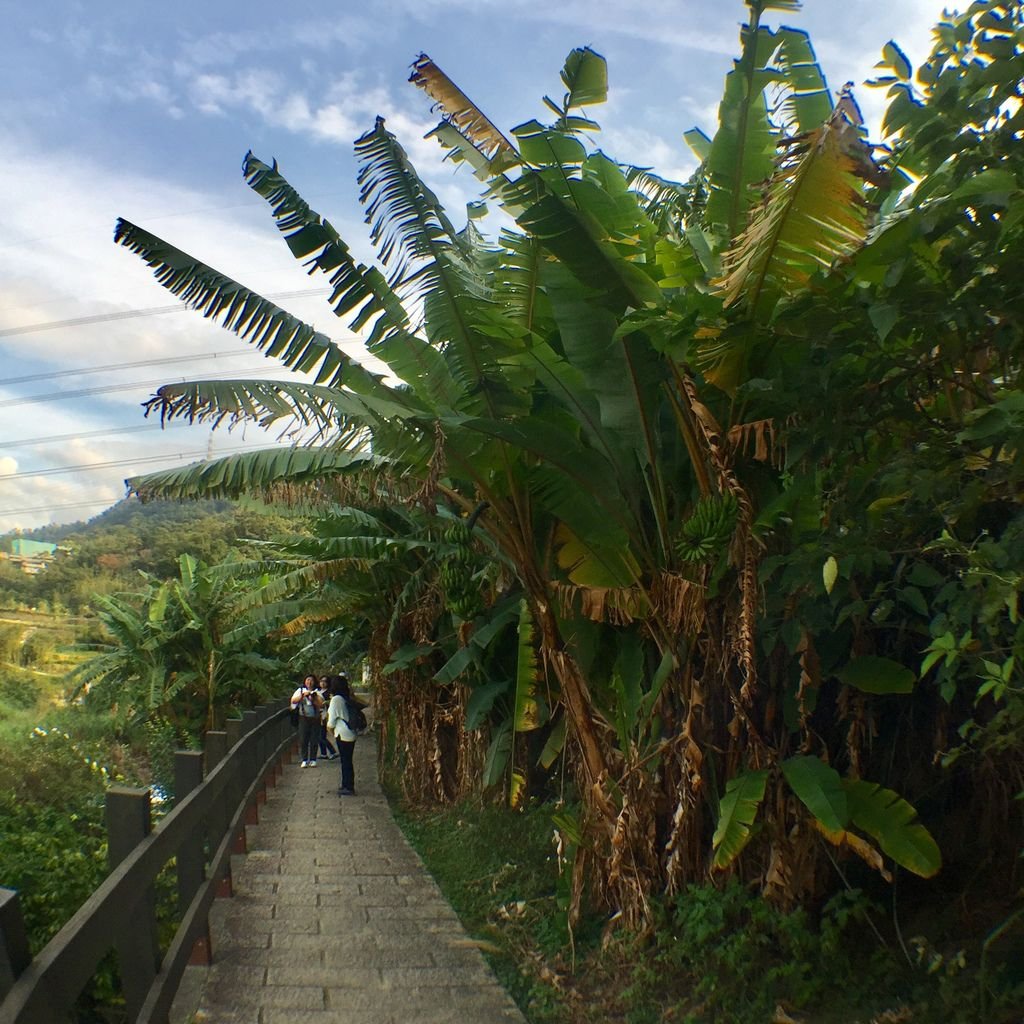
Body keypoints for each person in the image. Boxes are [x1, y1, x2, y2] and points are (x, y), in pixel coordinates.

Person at [326, 673, 359, 795]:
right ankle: (347, 784)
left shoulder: (336, 699)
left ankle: (348, 786)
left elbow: (331, 722)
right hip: (351, 732)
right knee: (348, 760)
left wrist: (330, 731)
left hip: (342, 733)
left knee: (345, 761)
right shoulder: (346, 697)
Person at [290, 674, 323, 767]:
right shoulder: (300, 691)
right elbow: (293, 701)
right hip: (303, 717)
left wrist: (313, 697)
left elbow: (321, 704)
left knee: (314, 739)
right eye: (308, 680)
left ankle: (313, 759)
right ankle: (304, 759)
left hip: (315, 718)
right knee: (303, 739)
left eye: (311, 680)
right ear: (305, 681)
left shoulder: (318, 692)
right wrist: (302, 696)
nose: (309, 682)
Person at [316, 677, 338, 761]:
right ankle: (323, 753)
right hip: (317, 715)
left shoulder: (330, 693)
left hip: (325, 715)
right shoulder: (317, 691)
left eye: (325, 681)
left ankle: (332, 751)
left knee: (322, 735)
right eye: (321, 681)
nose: (322, 683)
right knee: (319, 735)